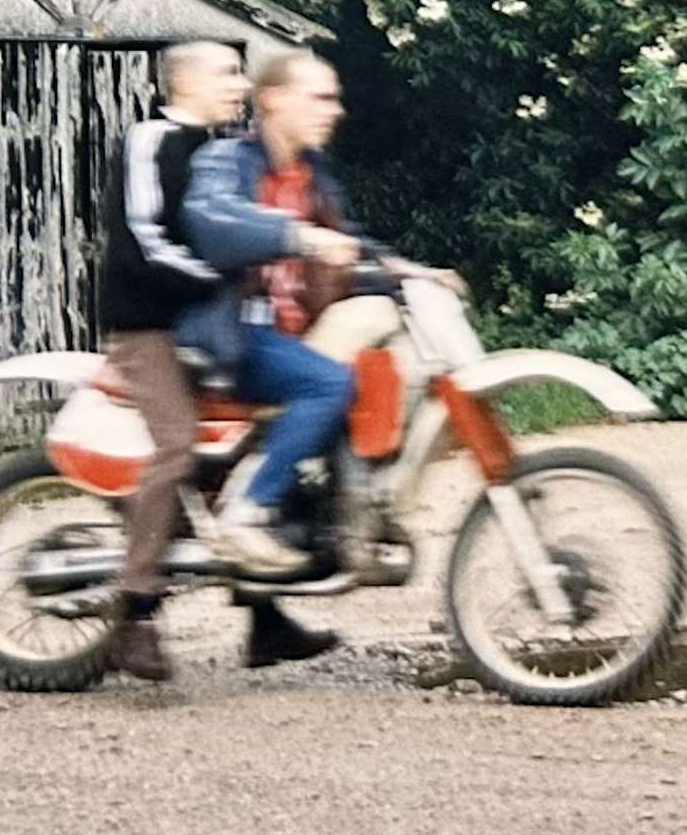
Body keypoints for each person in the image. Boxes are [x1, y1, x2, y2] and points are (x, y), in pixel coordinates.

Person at [96, 41, 339, 682]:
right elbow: (143, 236)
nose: (239, 84)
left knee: (257, 444)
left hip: (213, 325)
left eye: (241, 74)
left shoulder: (227, 151)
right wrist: (218, 282)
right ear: (182, 82)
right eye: (226, 73)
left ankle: (262, 619)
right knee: (176, 446)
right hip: (148, 324)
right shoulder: (153, 140)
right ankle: (136, 608)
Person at [181, 50, 458, 571]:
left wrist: (414, 273)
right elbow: (212, 222)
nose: (334, 111)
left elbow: (351, 247)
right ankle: (247, 513)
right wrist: (297, 235)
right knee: (327, 383)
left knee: (390, 369)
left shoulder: (312, 175)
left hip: (287, 331)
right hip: (232, 332)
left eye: (334, 99)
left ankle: (357, 520)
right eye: (320, 98)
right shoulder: (227, 161)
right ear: (274, 101)